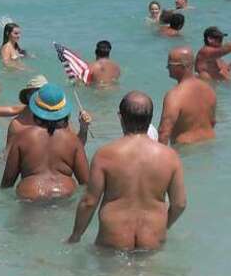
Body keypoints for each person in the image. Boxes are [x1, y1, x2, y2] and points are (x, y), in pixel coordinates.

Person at [64, 91, 186, 250]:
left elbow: (89, 202)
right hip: (152, 241)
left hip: (113, 241)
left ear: (120, 117)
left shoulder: (105, 155)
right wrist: (163, 228)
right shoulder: (170, 157)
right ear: (150, 119)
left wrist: (75, 237)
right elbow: (179, 204)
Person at [1, 84, 90, 201]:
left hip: (30, 194)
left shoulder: (22, 137)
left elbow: (7, 182)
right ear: (63, 112)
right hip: (64, 194)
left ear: (35, 111)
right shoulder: (73, 140)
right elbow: (86, 182)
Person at [6, 75, 90, 147]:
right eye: (39, 93)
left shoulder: (60, 122)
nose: (43, 96)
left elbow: (77, 146)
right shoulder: (18, 125)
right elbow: (6, 157)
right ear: (28, 96)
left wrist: (83, 127)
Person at [158, 47, 216, 145]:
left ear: (182, 67)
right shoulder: (209, 90)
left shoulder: (175, 95)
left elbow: (164, 132)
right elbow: (213, 122)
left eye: (170, 64)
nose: (167, 67)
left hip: (186, 149)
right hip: (209, 146)